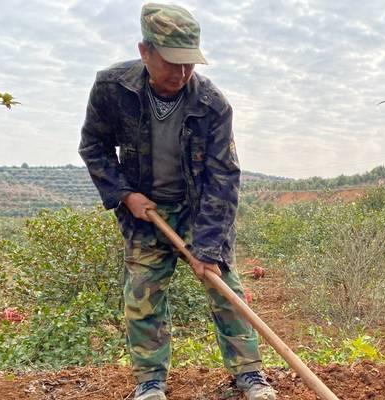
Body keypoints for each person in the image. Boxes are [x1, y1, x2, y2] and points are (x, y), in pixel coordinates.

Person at [78, 3, 276, 400]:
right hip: (144, 209)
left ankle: (250, 375)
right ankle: (149, 382)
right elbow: (94, 146)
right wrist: (124, 194)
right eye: (172, 62)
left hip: (199, 208)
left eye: (190, 64)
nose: (182, 73)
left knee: (226, 288)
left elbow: (223, 177)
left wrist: (207, 248)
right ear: (144, 51)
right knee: (143, 293)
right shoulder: (113, 88)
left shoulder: (212, 104)